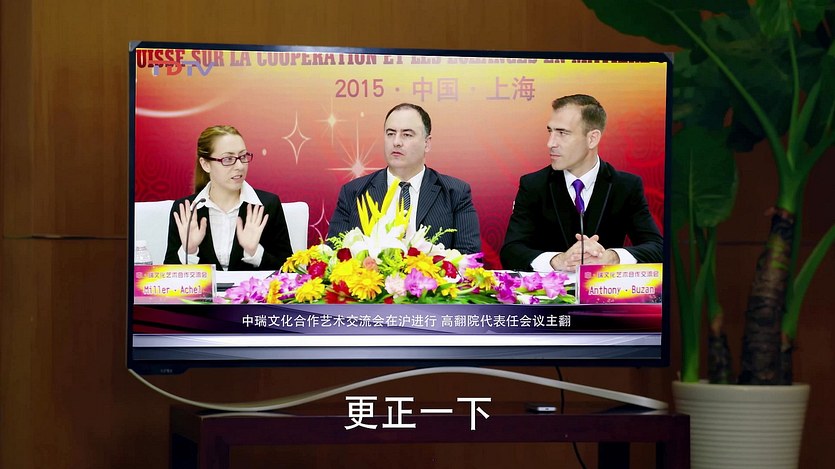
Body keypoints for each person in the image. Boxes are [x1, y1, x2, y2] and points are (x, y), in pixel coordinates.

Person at [500, 94, 662, 272]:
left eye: (562, 133)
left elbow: (657, 248)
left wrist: (612, 257)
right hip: (552, 289)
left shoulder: (626, 186)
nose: (550, 143)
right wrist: (558, 260)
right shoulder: (533, 185)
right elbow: (511, 251)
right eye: (550, 131)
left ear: (592, 138)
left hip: (604, 288)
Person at [327, 103, 481, 254]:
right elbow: (335, 254)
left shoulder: (455, 194)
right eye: (390, 134)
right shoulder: (353, 192)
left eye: (407, 135)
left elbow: (469, 257)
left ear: (427, 143)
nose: (396, 142)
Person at [164, 125, 292, 270]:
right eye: (228, 159)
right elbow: (167, 276)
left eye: (243, 156)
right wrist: (189, 251)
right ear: (205, 164)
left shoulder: (267, 205)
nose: (240, 166)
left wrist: (255, 252)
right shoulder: (186, 209)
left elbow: (289, 271)